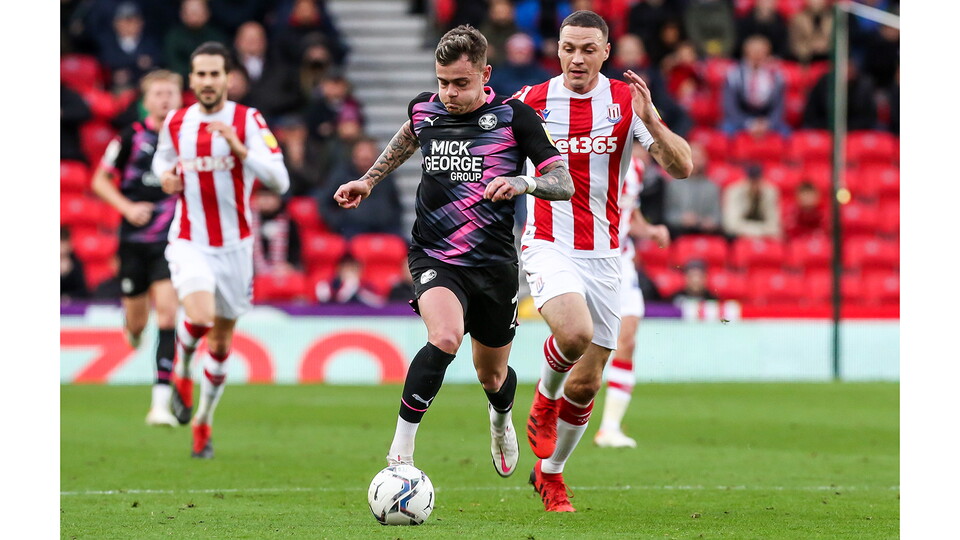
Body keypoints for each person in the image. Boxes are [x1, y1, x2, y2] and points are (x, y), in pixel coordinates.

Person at [333, 25, 573, 480]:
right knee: (445, 336)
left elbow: (564, 182)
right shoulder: (426, 109)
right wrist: (368, 179)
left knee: (493, 377)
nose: (449, 93)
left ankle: (500, 418)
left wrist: (525, 183)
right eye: (443, 82)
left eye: (460, 84)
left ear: (485, 74)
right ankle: (401, 449)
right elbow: (408, 136)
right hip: (435, 255)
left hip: (494, 264)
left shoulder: (515, 118)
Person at [513, 10, 692, 512]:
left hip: (607, 255)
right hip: (548, 241)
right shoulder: (529, 101)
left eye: (588, 49)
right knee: (570, 335)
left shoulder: (624, 102)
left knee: (589, 379)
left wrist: (652, 117)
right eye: (569, 47)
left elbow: (682, 167)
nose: (577, 58)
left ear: (606, 52)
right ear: (558, 48)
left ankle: (551, 475)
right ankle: (545, 398)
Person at [152, 42, 290, 458]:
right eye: (201, 74)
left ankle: (203, 423)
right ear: (191, 80)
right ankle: (180, 372)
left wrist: (240, 148)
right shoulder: (176, 122)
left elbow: (280, 181)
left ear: (228, 78)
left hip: (235, 247)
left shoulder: (248, 121)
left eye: (216, 74)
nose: (208, 82)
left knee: (221, 342)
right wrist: (166, 179)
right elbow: (161, 162)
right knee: (200, 315)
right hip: (190, 239)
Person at [91, 69, 184, 427]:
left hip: (170, 240)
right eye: (158, 94)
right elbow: (98, 180)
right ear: (146, 101)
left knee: (167, 315)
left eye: (170, 93)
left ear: (179, 99)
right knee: (139, 320)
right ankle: (131, 328)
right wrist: (127, 208)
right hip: (132, 241)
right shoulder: (129, 137)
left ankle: (159, 403)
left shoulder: (187, 140)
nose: (164, 99)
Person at [594, 147, 669, 449]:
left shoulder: (635, 172)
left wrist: (650, 230)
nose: (650, 151)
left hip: (622, 262)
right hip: (588, 259)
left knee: (627, 340)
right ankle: (555, 416)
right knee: (581, 345)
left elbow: (630, 216)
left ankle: (609, 428)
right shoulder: (596, 163)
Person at [322, 136, 403, 239]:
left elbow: (395, 204)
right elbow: (324, 202)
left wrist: (392, 221)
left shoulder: (386, 176)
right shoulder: (341, 174)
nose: (365, 156)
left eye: (368, 153)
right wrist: (339, 222)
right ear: (354, 155)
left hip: (385, 229)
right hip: (352, 231)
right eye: (361, 153)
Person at [721, 35, 789, 137]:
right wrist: (748, 123)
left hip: (767, 119)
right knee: (725, 132)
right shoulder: (734, 74)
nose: (757, 55)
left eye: (761, 51)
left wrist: (768, 123)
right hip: (740, 118)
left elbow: (779, 107)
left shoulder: (776, 75)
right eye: (754, 51)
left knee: (786, 134)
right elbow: (730, 107)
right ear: (746, 53)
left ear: (767, 53)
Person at [663, 141, 723, 238]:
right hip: (679, 234)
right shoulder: (674, 185)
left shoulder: (712, 187)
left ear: (705, 160)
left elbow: (718, 217)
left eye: (698, 158)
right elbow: (667, 214)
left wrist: (710, 222)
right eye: (691, 157)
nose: (694, 162)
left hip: (706, 235)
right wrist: (681, 219)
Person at [722, 163, 782, 239]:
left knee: (778, 238)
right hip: (740, 236)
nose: (755, 185)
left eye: (757, 180)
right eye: (752, 181)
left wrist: (757, 232)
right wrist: (759, 231)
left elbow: (774, 225)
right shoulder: (734, 191)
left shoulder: (770, 191)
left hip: (761, 234)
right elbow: (731, 225)